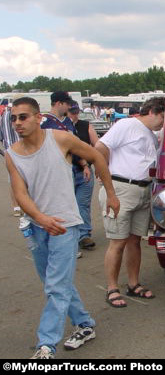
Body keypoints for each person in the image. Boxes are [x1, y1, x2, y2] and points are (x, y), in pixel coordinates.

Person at [5, 97, 120, 359]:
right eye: (13, 118)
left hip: (65, 226)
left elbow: (97, 156)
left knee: (56, 286)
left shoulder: (60, 139)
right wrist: (40, 218)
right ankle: (85, 324)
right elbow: (20, 193)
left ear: (38, 117)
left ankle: (46, 344)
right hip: (36, 227)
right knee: (55, 282)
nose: (17, 123)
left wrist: (111, 194)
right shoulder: (12, 154)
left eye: (23, 116)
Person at [95, 96, 165, 308]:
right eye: (162, 116)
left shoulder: (151, 136)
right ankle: (112, 288)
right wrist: (108, 183)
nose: (163, 121)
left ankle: (133, 284)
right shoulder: (127, 125)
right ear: (152, 111)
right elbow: (99, 147)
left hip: (142, 190)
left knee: (135, 241)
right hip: (121, 188)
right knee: (117, 241)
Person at [41, 92, 96, 252]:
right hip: (58, 172)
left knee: (82, 204)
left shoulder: (67, 122)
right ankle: (64, 240)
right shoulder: (45, 123)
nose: (69, 107)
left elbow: (75, 146)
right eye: (67, 104)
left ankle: (83, 235)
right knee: (63, 207)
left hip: (77, 168)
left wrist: (85, 164)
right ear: (59, 103)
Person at [67, 101, 99, 250]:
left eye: (76, 111)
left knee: (82, 204)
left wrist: (98, 163)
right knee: (67, 205)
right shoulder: (61, 128)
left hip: (84, 172)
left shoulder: (85, 125)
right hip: (68, 171)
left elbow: (97, 145)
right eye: (72, 112)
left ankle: (84, 235)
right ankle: (69, 237)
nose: (75, 114)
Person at [0, 103, 22, 216]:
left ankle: (17, 207)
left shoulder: (4, 116)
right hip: (17, 150)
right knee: (16, 180)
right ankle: (18, 206)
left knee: (13, 180)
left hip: (10, 151)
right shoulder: (12, 116)